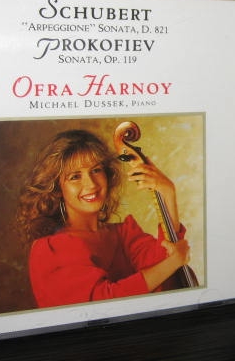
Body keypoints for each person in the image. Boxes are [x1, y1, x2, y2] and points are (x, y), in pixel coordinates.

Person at [16, 128, 191, 308]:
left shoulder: (123, 234)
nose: (91, 184)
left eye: (96, 170)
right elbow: (103, 303)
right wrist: (173, 262)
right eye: (75, 177)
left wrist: (168, 192)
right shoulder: (50, 249)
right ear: (58, 188)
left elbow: (165, 261)